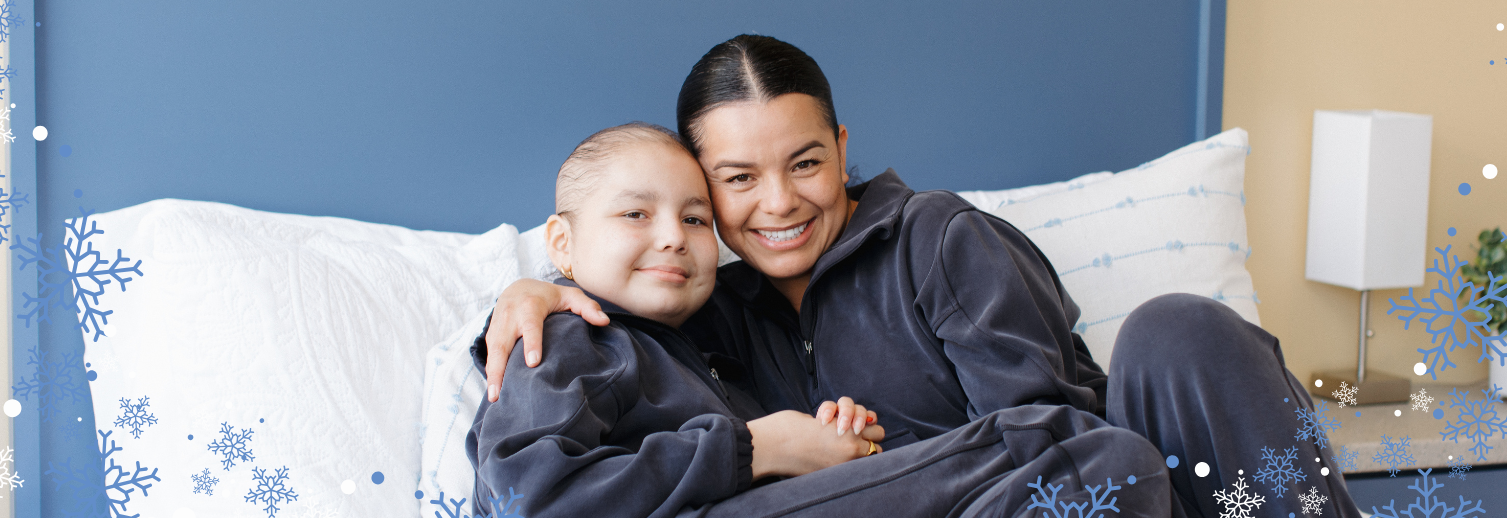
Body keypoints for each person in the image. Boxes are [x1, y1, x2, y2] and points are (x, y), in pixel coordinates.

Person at [480, 35, 1358, 517]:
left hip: (1105, 493)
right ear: (708, 190)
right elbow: (578, 392)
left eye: (807, 162)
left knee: (1177, 335)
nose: (779, 203)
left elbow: (1054, 432)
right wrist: (533, 295)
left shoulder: (940, 239)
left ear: (844, 151)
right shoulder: (714, 308)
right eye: (738, 182)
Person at [467, 122, 1170, 518]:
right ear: (560, 241)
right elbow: (524, 499)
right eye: (635, 214)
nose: (674, 236)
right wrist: (753, 450)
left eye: (695, 217)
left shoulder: (711, 336)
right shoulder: (559, 338)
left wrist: (828, 443)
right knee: (1077, 452)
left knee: (1098, 465)